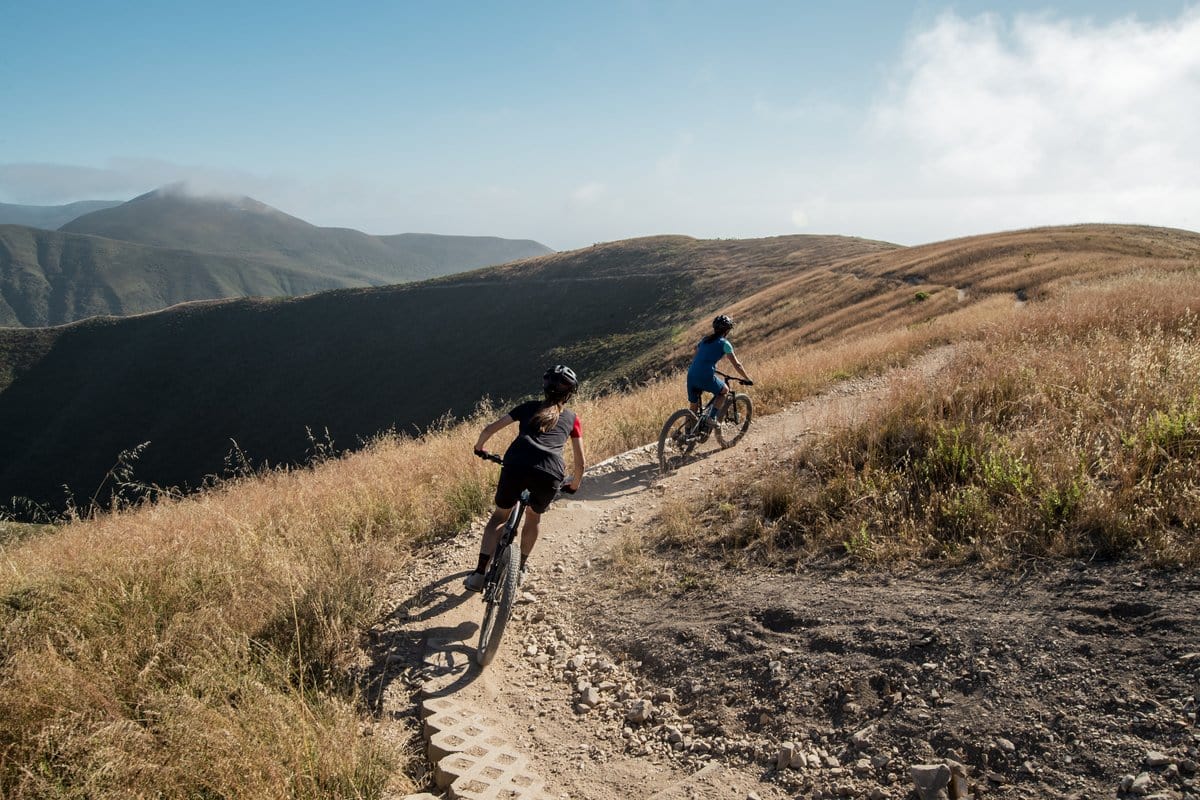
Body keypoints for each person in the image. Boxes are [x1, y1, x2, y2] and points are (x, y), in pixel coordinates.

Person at [466, 365, 586, 592]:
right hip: (550, 472)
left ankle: (479, 574)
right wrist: (574, 485)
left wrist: (480, 448)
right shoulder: (572, 418)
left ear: (544, 387)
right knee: (533, 518)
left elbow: (490, 428)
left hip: (516, 464)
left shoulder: (528, 407)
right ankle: (519, 568)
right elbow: (580, 463)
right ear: (571, 393)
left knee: (500, 516)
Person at [687, 314, 752, 427]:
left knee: (693, 405)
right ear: (727, 330)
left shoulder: (705, 340)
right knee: (724, 391)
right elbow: (737, 365)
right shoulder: (724, 343)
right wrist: (747, 378)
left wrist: (703, 365)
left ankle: (687, 432)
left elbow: (696, 353)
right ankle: (711, 418)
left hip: (691, 374)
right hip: (705, 375)